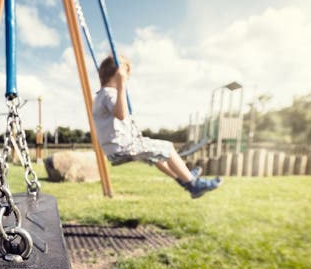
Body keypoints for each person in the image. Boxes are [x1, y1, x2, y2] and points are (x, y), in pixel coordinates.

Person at [92, 55, 221, 199]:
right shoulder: (110, 93)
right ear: (118, 75)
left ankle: (183, 179)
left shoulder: (99, 96)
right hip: (125, 147)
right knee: (168, 148)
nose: (127, 79)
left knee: (158, 158)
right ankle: (193, 184)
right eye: (126, 76)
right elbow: (120, 114)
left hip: (114, 150)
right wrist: (121, 86)